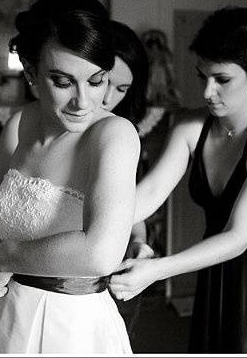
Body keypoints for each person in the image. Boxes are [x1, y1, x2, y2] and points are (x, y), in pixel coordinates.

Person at [109, 7, 247, 353]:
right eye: (202, 76)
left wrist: (156, 270)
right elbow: (150, 193)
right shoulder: (190, 126)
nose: (206, 91)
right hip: (215, 264)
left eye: (221, 79)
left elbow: (237, 236)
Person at [0, 0, 139, 354]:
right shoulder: (18, 126)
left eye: (97, 81)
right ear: (30, 71)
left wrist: (3, 256)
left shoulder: (113, 135)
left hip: (73, 327)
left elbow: (100, 253)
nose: (84, 101)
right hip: (6, 315)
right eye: (63, 82)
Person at [103, 20, 154, 337]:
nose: (109, 98)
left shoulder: (125, 134)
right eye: (103, 82)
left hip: (114, 268)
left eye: (122, 89)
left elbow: (133, 205)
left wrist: (139, 242)